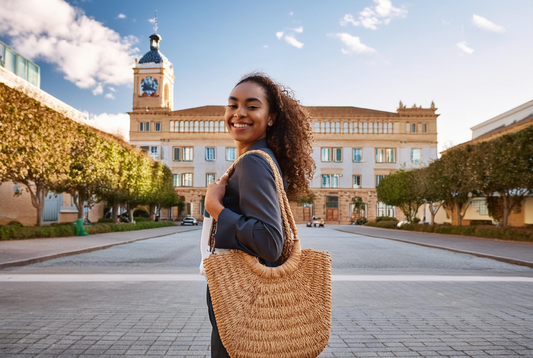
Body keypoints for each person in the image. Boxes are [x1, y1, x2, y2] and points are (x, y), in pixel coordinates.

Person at [204, 72, 315, 357]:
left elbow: (269, 241)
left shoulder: (253, 161)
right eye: (232, 105)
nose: (238, 113)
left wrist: (216, 208)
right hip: (247, 299)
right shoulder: (259, 158)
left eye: (252, 106)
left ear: (271, 117)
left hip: (245, 300)